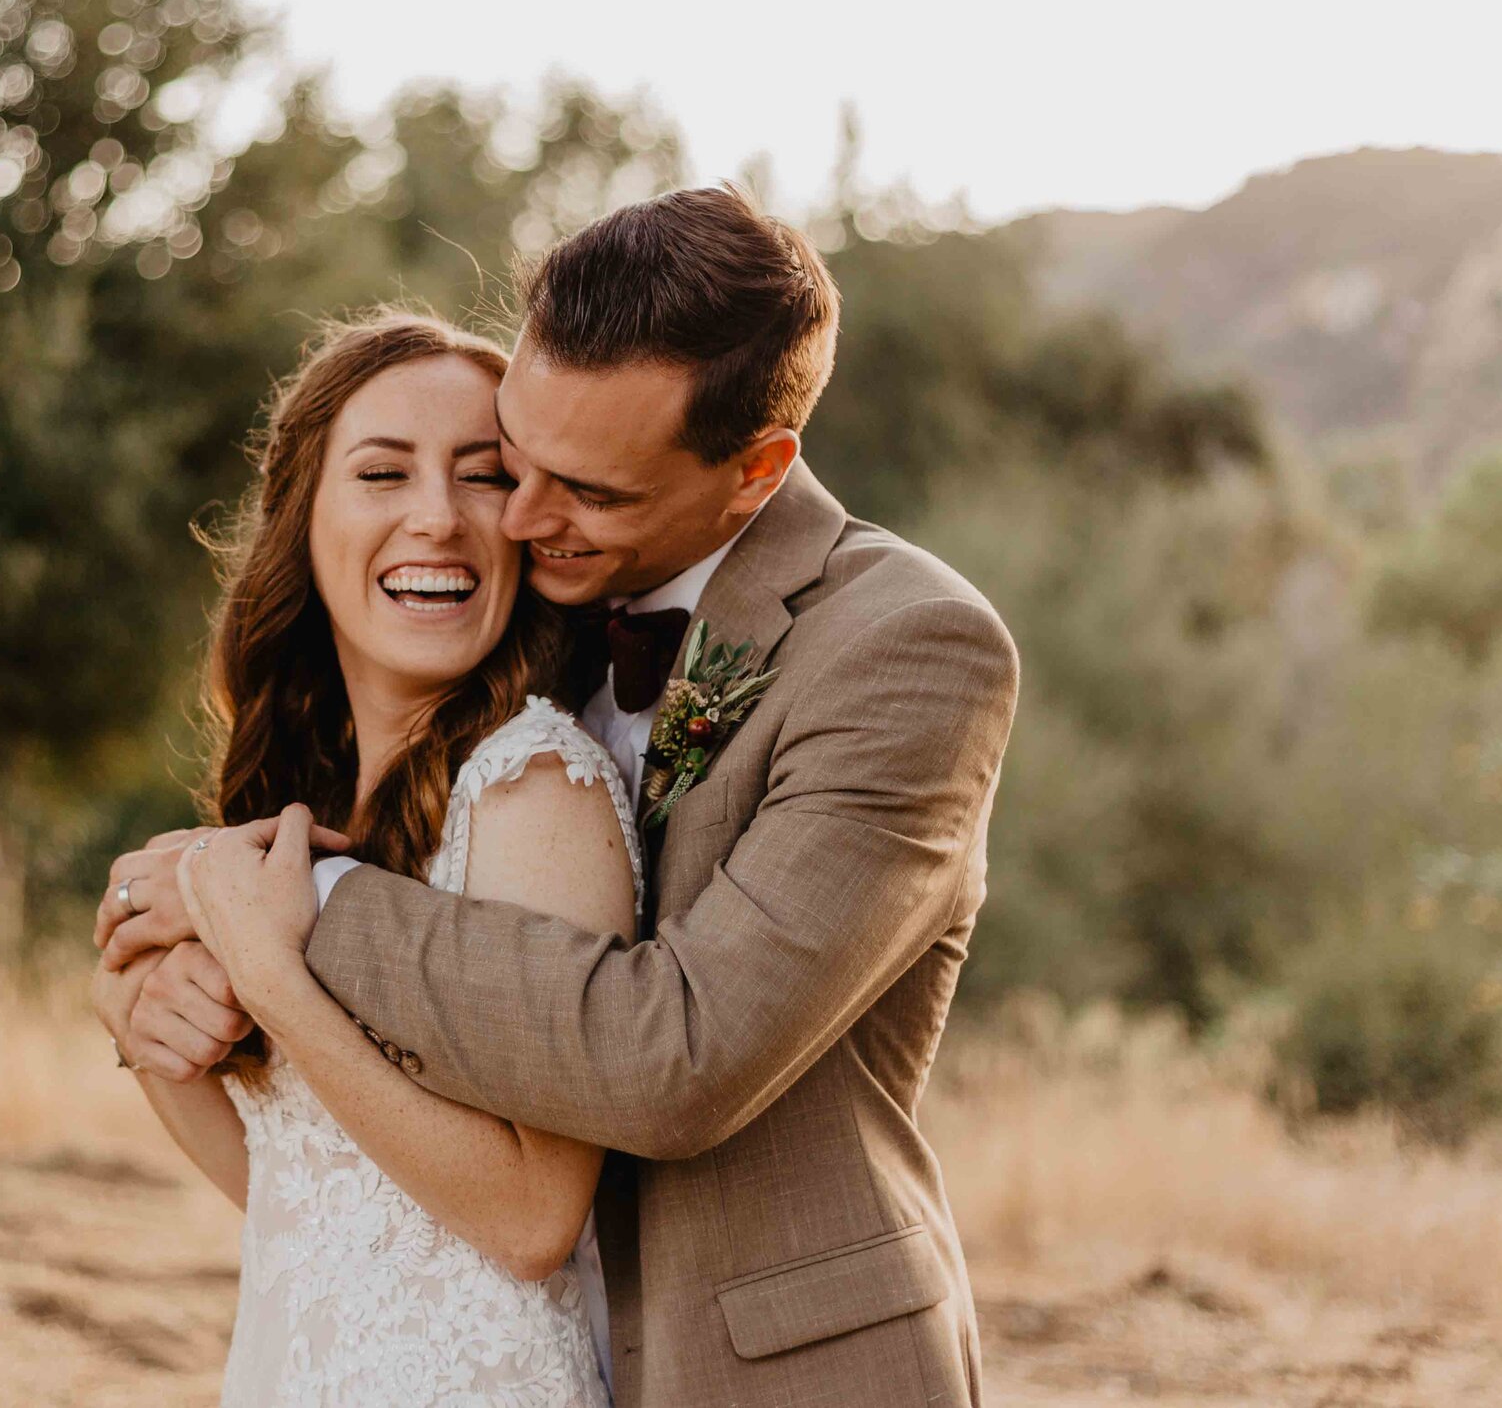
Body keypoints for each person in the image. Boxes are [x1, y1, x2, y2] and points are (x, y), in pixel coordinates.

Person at [99, 184, 1021, 1408]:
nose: (517, 518)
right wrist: (159, 999)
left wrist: (300, 908)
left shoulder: (906, 649)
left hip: (773, 1367)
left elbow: (678, 1056)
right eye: (515, 459)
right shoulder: (523, 618)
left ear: (754, 472)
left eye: (583, 488)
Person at [90, 312, 642, 1406]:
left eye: (482, 476)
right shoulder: (319, 796)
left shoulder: (536, 786)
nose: (436, 517)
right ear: (303, 519)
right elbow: (304, 1190)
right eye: (383, 472)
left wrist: (271, 980)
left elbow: (536, 1217)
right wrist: (135, 1017)